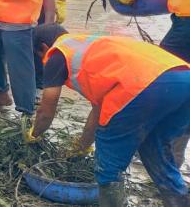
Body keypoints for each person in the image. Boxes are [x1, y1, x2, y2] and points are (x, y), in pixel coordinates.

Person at [27, 24, 190, 207]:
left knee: (109, 162)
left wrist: (33, 135)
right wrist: (81, 147)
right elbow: (98, 112)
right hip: (184, 78)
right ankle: (179, 201)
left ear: (43, 48)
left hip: (143, 86)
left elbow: (46, 112)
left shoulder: (58, 54)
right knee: (154, 145)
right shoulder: (92, 46)